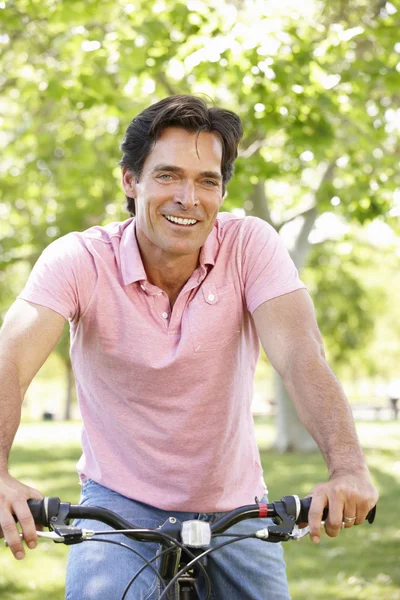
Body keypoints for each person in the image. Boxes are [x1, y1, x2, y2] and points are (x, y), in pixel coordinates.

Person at [0, 95, 378, 599]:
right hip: (118, 502)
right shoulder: (80, 259)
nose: (189, 197)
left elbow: (300, 355)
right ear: (130, 181)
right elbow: (11, 361)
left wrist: (348, 466)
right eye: (167, 176)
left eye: (207, 180)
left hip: (236, 502)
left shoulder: (250, 246)